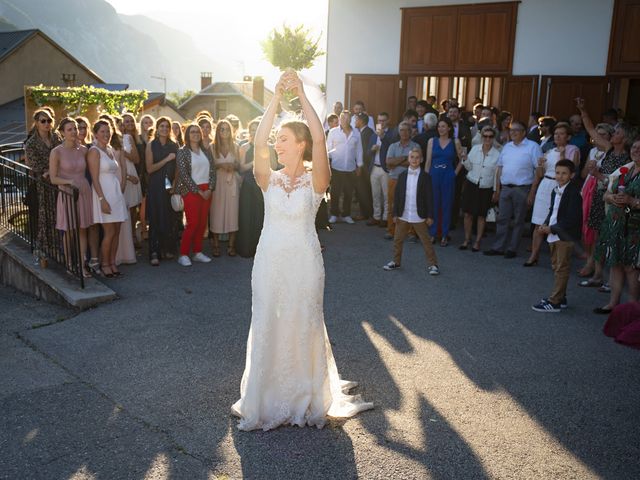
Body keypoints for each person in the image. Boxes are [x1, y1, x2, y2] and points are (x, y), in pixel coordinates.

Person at [232, 70, 373, 431]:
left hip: (306, 261)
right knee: (267, 320)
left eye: (284, 139)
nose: (277, 144)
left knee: (303, 321)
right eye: (277, 140)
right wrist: (276, 97)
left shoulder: (317, 179)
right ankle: (266, 394)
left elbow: (319, 136)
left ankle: (304, 393)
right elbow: (258, 140)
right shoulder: (268, 178)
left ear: (300, 144)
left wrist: (303, 99)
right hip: (269, 261)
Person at [576, 98, 633, 289]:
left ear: (624, 139)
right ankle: (598, 275)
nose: (613, 133)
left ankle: (611, 280)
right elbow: (591, 130)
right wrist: (583, 111)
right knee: (600, 238)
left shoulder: (629, 158)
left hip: (615, 202)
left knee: (612, 240)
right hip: (601, 198)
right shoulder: (609, 149)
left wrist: (599, 175)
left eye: (617, 132)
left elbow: (621, 183)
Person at [594, 139, 640, 314]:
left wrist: (632, 201)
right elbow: (606, 193)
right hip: (615, 223)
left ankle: (632, 307)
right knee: (615, 263)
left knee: (630, 266)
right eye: (635, 147)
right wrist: (611, 198)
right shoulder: (625, 169)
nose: (636, 150)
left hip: (635, 226)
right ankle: (613, 303)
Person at [484, 120, 542, 258]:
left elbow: (539, 171)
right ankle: (498, 247)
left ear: (524, 133)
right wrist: (497, 189)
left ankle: (512, 249)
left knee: (518, 220)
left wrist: (532, 193)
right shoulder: (507, 146)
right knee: (502, 219)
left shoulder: (533, 147)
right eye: (511, 130)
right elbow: (500, 168)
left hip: (522, 189)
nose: (513, 132)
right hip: (505, 188)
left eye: (517, 130)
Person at [525, 122, 580, 266]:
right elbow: (540, 174)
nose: (558, 136)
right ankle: (533, 255)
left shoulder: (573, 150)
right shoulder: (548, 151)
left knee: (556, 223)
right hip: (545, 186)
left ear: (568, 137)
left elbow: (570, 169)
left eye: (561, 133)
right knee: (538, 223)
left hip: (560, 187)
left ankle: (557, 258)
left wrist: (562, 154)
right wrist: (539, 166)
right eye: (556, 133)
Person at [531, 160, 583, 312]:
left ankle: (554, 302)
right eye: (558, 172)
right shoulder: (556, 190)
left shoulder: (574, 193)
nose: (560, 176)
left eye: (564, 173)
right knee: (556, 266)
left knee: (561, 268)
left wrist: (552, 228)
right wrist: (545, 223)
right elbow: (552, 210)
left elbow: (572, 218)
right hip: (553, 232)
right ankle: (561, 297)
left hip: (564, 235)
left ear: (572, 175)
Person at [383, 147, 439, 275]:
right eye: (412, 157)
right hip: (403, 213)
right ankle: (396, 262)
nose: (414, 159)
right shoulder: (402, 175)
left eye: (417, 157)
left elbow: (429, 197)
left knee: (425, 240)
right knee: (398, 239)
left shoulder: (425, 177)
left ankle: (433, 264)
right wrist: (395, 213)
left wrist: (430, 215)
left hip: (418, 214)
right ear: (408, 159)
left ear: (421, 160)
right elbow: (397, 196)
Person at [48, 118, 93, 277]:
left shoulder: (84, 150)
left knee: (82, 229)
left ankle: (82, 265)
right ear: (62, 132)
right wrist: (69, 181)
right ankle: (68, 264)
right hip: (67, 193)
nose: (74, 131)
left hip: (84, 192)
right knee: (69, 231)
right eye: (70, 129)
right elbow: (53, 178)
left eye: (75, 128)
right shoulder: (56, 152)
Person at [87, 120, 127, 277]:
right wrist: (102, 199)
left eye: (108, 131)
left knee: (117, 231)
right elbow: (95, 179)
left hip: (115, 193)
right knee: (109, 232)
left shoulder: (110, 149)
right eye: (102, 131)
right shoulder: (94, 151)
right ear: (96, 134)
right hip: (104, 194)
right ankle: (104, 264)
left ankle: (112, 262)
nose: (106, 134)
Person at [175, 124, 216, 266]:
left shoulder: (206, 150)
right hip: (192, 190)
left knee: (202, 223)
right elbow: (184, 175)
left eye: (197, 132)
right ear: (187, 134)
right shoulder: (182, 152)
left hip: (207, 190)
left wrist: (210, 189)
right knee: (192, 223)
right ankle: (183, 254)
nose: (196, 134)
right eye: (192, 132)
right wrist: (198, 191)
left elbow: (212, 171)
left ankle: (197, 252)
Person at [24, 108, 61, 263]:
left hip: (57, 180)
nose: (47, 124)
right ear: (37, 123)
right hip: (42, 184)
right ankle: (45, 246)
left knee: (58, 213)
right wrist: (47, 171)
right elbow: (34, 164)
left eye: (49, 120)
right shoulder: (31, 143)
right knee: (44, 214)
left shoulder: (56, 138)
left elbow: (63, 156)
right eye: (43, 121)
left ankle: (58, 246)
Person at [237, 118, 277, 258]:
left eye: (257, 129)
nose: (255, 132)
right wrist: (254, 162)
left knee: (262, 216)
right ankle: (247, 248)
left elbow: (274, 166)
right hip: (248, 184)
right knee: (247, 215)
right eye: (252, 130)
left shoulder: (270, 147)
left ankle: (263, 250)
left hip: (264, 185)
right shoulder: (244, 147)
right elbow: (241, 168)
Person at [578, 123, 614, 278]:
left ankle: (594, 264)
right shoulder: (593, 151)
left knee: (596, 229)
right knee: (586, 225)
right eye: (596, 135)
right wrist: (590, 167)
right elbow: (583, 174)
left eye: (603, 135)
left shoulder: (610, 153)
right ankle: (589, 259)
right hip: (588, 190)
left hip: (601, 192)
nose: (598, 138)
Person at [459, 126, 500, 251]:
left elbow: (496, 175)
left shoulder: (497, 154)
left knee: (482, 215)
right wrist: (465, 159)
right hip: (472, 184)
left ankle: (477, 241)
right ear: (481, 137)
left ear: (493, 138)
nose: (487, 138)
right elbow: (469, 167)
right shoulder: (475, 149)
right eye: (485, 136)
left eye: (490, 136)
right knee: (468, 214)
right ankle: (467, 239)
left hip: (486, 187)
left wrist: (495, 191)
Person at [145, 116, 179, 266]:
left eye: (167, 126)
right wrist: (166, 159)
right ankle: (154, 251)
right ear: (157, 129)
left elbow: (178, 168)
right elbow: (150, 168)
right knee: (155, 218)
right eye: (162, 126)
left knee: (169, 218)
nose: (165, 129)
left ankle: (167, 249)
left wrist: (175, 184)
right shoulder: (151, 145)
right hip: (156, 186)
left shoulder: (175, 145)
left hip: (170, 186)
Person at [425, 117, 463, 246]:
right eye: (439, 126)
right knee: (433, 204)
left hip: (448, 176)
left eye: (443, 126)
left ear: (449, 128)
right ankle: (433, 233)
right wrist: (425, 177)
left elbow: (463, 159)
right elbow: (428, 161)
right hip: (433, 175)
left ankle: (445, 235)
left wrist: (454, 174)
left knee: (446, 205)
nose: (441, 129)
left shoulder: (455, 141)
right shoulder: (432, 141)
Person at [209, 119, 240, 256]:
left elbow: (239, 165)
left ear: (231, 131)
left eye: (227, 129)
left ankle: (231, 245)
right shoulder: (212, 147)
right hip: (218, 183)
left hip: (232, 182)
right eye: (222, 129)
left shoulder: (236, 147)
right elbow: (209, 167)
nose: (224, 132)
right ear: (218, 131)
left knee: (233, 212)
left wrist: (233, 166)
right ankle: (215, 245)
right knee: (217, 212)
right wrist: (221, 165)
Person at [326, 110, 362, 224]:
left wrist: (359, 165)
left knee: (348, 192)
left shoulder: (356, 133)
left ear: (350, 119)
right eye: (343, 118)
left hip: (350, 168)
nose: (345, 121)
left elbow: (359, 150)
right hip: (336, 167)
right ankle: (334, 214)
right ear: (340, 119)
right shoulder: (333, 132)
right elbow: (328, 149)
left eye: (347, 118)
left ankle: (346, 215)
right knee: (335, 192)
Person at [385, 122, 418, 238]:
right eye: (402, 130)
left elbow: (414, 163)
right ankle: (391, 231)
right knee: (392, 206)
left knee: (410, 206)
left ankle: (410, 233)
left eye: (406, 130)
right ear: (399, 132)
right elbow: (388, 162)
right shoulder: (393, 146)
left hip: (411, 180)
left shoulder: (415, 146)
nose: (404, 133)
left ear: (410, 132)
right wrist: (405, 158)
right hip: (394, 179)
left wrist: (396, 161)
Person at [369, 112, 394, 227]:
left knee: (386, 195)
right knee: (375, 195)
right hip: (374, 167)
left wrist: (383, 136)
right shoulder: (374, 135)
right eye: (379, 120)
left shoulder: (392, 134)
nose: (381, 123)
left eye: (383, 120)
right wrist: (372, 149)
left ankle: (385, 218)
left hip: (385, 169)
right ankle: (376, 216)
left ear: (388, 120)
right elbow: (367, 152)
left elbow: (391, 146)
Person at [354, 112, 374, 222]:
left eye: (356, 120)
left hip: (365, 167)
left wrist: (360, 165)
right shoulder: (361, 132)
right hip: (362, 166)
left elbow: (365, 151)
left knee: (365, 190)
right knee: (361, 190)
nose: (355, 122)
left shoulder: (367, 133)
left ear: (361, 121)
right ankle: (364, 213)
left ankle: (368, 214)